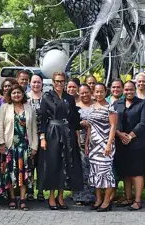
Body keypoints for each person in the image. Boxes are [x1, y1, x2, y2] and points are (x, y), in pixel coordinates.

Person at [38, 72, 83, 210]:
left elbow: (74, 118)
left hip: (67, 133)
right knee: (53, 164)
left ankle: (60, 196)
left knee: (66, 164)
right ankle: (51, 196)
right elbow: (42, 118)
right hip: (52, 132)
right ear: (53, 82)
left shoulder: (69, 98)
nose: (59, 84)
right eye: (57, 81)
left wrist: (79, 131)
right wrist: (42, 137)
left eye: (62, 81)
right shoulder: (47, 97)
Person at [0, 86, 38, 211]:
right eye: (14, 93)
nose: (16, 95)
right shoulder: (4, 108)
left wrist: (34, 147)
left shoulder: (30, 108)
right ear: (10, 95)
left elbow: (34, 129)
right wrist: (0, 143)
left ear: (23, 94)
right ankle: (12, 198)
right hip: (9, 146)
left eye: (19, 92)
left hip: (25, 146)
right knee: (10, 173)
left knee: (24, 173)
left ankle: (23, 199)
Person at [114, 81, 145, 211]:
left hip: (137, 143)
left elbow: (143, 123)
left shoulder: (142, 103)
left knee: (137, 172)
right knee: (126, 172)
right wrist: (120, 134)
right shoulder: (117, 103)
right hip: (121, 142)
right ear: (123, 90)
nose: (129, 92)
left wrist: (130, 136)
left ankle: (138, 200)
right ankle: (128, 198)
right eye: (126, 90)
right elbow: (112, 121)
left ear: (135, 90)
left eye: (131, 89)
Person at [85, 83, 118, 212]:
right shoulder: (91, 108)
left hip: (105, 146)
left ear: (106, 92)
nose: (98, 94)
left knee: (106, 173)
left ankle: (106, 201)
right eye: (96, 92)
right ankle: (98, 199)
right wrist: (87, 143)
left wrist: (109, 144)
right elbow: (90, 127)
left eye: (101, 92)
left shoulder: (110, 108)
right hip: (94, 146)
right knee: (95, 173)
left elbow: (113, 127)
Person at [73, 84, 96, 206]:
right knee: (81, 168)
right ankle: (80, 196)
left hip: (95, 141)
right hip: (79, 141)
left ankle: (93, 196)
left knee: (93, 168)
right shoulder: (75, 107)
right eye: (82, 93)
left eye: (86, 92)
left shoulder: (96, 106)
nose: (84, 95)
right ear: (78, 93)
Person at [27, 75, 46, 201]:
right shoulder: (25, 97)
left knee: (42, 165)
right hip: (28, 135)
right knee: (29, 164)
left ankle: (40, 191)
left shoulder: (46, 97)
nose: (36, 84)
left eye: (38, 82)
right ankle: (29, 191)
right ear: (30, 83)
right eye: (34, 82)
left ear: (42, 84)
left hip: (44, 135)